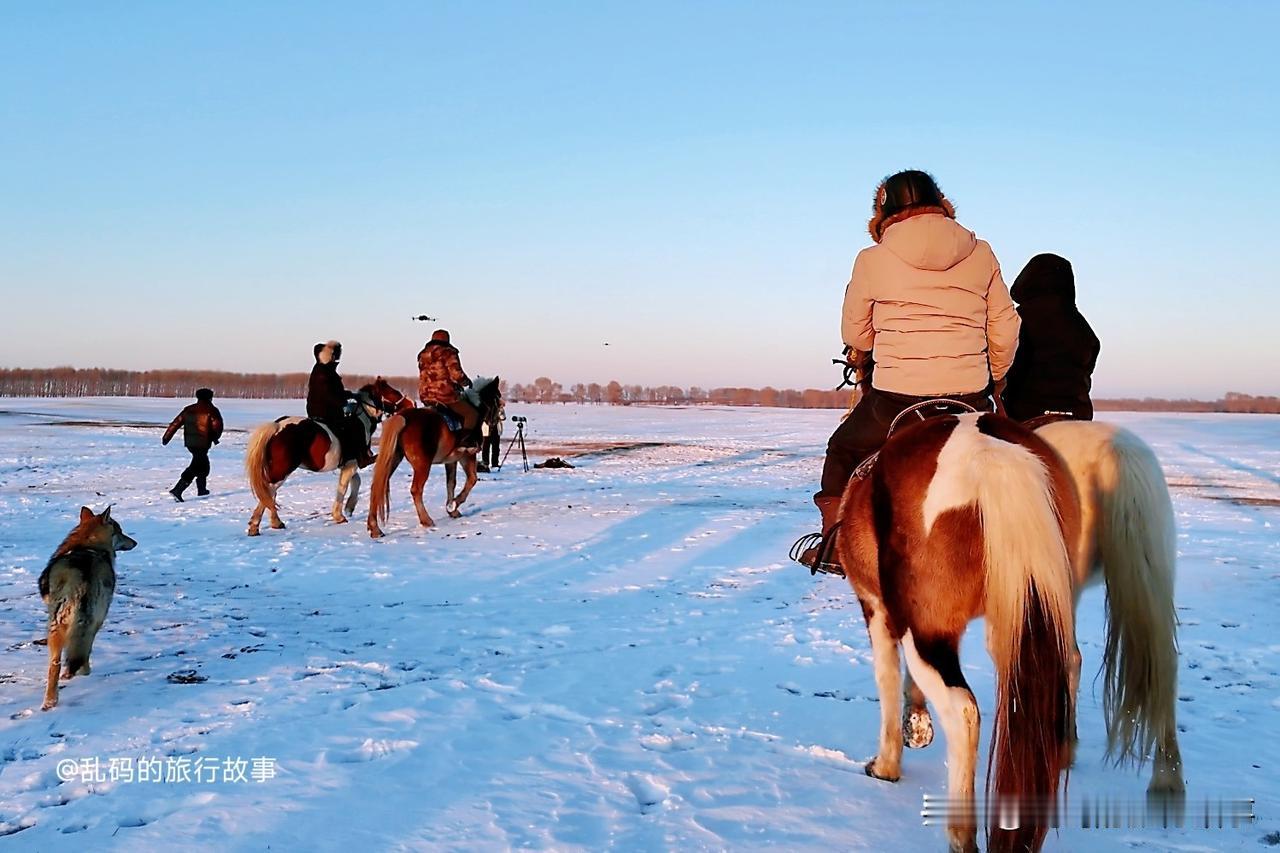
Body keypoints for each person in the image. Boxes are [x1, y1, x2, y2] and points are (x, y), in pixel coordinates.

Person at [799, 170, 1021, 571]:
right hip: (968, 396)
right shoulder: (982, 252)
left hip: (894, 398)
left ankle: (833, 546)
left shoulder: (872, 258)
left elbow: (855, 332)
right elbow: (1005, 326)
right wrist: (997, 375)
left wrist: (865, 350)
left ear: (885, 213)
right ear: (940, 204)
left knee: (843, 449)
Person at [1001, 253, 1100, 422]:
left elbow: (1005, 365)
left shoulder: (1017, 319)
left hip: (1026, 416)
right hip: (1078, 415)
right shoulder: (1080, 323)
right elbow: (1088, 364)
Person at [306, 340, 375, 467]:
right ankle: (361, 458)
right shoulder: (323, 372)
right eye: (333, 354)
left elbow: (334, 391)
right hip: (325, 410)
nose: (336, 357)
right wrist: (343, 402)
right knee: (356, 424)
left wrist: (349, 395)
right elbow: (327, 394)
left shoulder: (323, 370)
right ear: (327, 356)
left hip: (319, 408)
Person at [417, 329, 479, 446]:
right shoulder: (448, 352)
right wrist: (466, 382)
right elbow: (456, 374)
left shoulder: (422, 354)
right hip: (444, 396)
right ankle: (464, 442)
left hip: (426, 396)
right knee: (471, 414)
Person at [162, 388, 224, 501]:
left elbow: (176, 423)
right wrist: (214, 437)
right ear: (210, 397)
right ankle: (178, 490)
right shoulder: (212, 410)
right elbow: (218, 427)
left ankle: (202, 490)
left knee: (203, 465)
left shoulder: (189, 409)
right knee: (196, 466)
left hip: (190, 443)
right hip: (203, 443)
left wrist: (166, 437)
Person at [478, 398, 505, 472]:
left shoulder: (499, 409)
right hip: (487, 428)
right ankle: (485, 462)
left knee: (495, 448)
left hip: (495, 428)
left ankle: (494, 463)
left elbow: (503, 417)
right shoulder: (484, 407)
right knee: (486, 447)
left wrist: (501, 410)